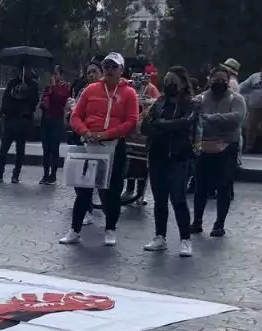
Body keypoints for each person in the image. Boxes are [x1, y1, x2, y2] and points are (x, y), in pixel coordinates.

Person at [60, 52, 139, 246]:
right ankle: (75, 229)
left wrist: (107, 134)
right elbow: (76, 115)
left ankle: (110, 228)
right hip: (89, 144)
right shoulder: (91, 90)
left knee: (112, 191)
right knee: (83, 189)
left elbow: (132, 121)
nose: (109, 71)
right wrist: (85, 132)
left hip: (113, 145)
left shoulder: (129, 93)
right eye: (107, 67)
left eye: (114, 67)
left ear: (121, 70)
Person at [142, 66, 199, 257]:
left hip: (179, 156)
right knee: (159, 200)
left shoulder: (191, 104)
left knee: (178, 199)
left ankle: (185, 239)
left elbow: (186, 123)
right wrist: (164, 128)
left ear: (183, 83)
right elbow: (145, 125)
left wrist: (161, 125)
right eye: (166, 80)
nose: (168, 84)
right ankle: (160, 237)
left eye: (173, 80)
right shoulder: (158, 102)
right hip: (157, 155)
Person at [191, 65, 246, 237]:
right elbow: (194, 118)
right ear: (209, 79)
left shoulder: (236, 99)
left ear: (228, 81)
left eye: (223, 79)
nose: (219, 82)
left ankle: (219, 223)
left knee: (223, 185)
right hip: (205, 145)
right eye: (216, 79)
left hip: (228, 145)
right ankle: (197, 221)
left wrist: (211, 118)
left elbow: (237, 118)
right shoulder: (200, 99)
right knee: (200, 186)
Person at [0, 66, 39, 183]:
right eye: (21, 69)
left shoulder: (33, 85)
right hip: (10, 120)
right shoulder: (12, 83)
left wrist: (26, 92)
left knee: (20, 149)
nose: (22, 72)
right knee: (3, 149)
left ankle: (16, 175)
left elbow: (34, 102)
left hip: (23, 120)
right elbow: (6, 99)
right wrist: (4, 111)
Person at [39, 65, 72, 185]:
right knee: (45, 149)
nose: (54, 76)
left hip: (56, 120)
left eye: (56, 73)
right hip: (46, 120)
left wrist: (53, 88)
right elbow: (42, 101)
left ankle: (53, 175)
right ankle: (45, 173)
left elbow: (60, 99)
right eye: (53, 74)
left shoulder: (65, 87)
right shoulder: (48, 87)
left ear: (61, 75)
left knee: (54, 148)